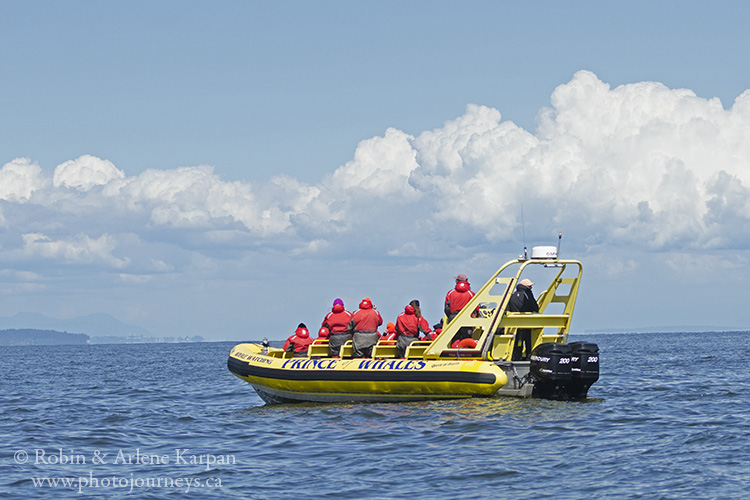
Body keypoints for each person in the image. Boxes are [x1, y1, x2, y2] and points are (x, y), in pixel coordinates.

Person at [508, 278, 539, 360]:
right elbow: (535, 307)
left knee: (517, 341)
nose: (531, 288)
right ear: (526, 287)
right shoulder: (527, 295)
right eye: (530, 286)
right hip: (526, 324)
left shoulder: (512, 295)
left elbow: (508, 308)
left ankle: (515, 356)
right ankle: (529, 356)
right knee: (528, 342)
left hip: (514, 324)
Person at [444, 274, 475, 345]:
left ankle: (453, 353)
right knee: (467, 338)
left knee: (454, 338)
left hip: (453, 317)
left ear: (457, 281)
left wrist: (451, 316)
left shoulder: (450, 293)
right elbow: (475, 309)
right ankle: (466, 354)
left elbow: (446, 308)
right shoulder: (471, 294)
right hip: (466, 318)